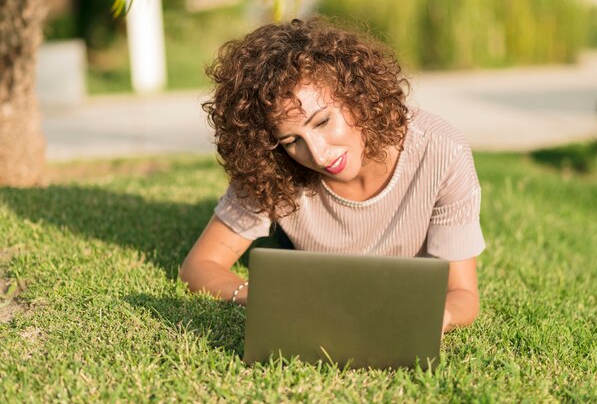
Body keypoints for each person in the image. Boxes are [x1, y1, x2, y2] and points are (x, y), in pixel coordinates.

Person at [180, 17, 486, 336]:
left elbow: (462, 294)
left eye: (322, 122)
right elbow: (199, 266)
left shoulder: (442, 153)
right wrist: (264, 298)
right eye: (291, 140)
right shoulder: (273, 165)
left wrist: (441, 315)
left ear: (356, 93)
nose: (319, 155)